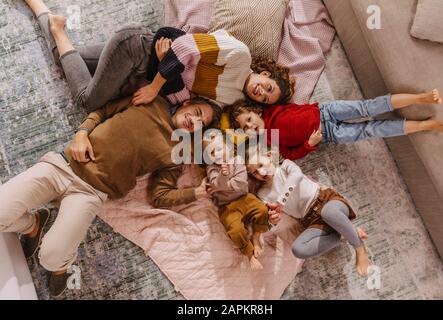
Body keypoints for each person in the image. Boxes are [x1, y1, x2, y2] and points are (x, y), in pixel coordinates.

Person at [0, 95, 221, 297]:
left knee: (51, 257)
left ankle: (60, 268)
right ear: (187, 103)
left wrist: (197, 192)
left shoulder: (178, 153)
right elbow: (103, 111)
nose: (195, 121)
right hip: (61, 165)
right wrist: (81, 133)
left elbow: (161, 196)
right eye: (198, 112)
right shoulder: (152, 100)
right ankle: (32, 225)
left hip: (90, 192)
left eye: (201, 125)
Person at [24, 0, 294, 112]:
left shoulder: (229, 99)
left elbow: (181, 97)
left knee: (66, 60)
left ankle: (42, 11)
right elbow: (186, 46)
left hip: (144, 65)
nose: (260, 91)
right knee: (88, 100)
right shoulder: (240, 54)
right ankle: (57, 29)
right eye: (267, 87)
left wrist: (169, 71)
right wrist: (157, 85)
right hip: (136, 48)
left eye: (264, 97)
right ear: (266, 74)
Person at [245, 149, 370, 276]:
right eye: (255, 172)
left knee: (328, 213)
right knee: (298, 249)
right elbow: (269, 219)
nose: (261, 172)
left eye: (260, 165)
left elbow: (296, 176)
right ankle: (345, 234)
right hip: (311, 220)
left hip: (326, 201)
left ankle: (359, 246)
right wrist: (273, 220)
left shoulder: (285, 166)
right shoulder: (262, 194)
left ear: (269, 156)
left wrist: (281, 200)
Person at [230, 90, 443, 160]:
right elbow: (290, 154)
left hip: (324, 110)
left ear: (256, 111)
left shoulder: (271, 109)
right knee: (371, 130)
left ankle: (420, 98)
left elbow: (278, 91)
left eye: (249, 119)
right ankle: (425, 125)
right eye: (245, 128)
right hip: (329, 134)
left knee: (367, 108)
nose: (250, 126)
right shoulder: (269, 140)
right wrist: (308, 144)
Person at [204, 130, 268, 270]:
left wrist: (221, 187)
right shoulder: (212, 169)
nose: (217, 154)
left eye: (219, 149)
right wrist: (222, 176)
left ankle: (256, 236)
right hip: (227, 206)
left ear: (229, 147)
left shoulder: (237, 160)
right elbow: (216, 184)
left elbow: (240, 184)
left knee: (263, 210)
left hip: (245, 198)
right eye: (212, 153)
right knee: (235, 229)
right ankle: (250, 253)